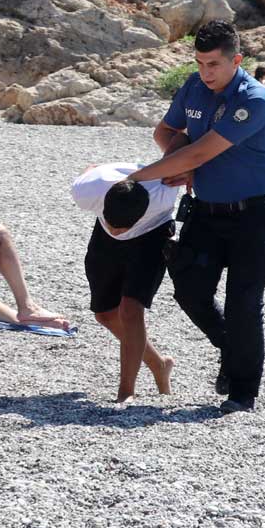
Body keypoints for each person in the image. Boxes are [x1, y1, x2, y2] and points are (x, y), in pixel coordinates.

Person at [127, 20, 265, 414]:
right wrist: (175, 156)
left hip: (258, 213)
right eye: (200, 63)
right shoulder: (194, 87)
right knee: (190, 290)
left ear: (237, 60)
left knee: (243, 302)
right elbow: (166, 131)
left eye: (214, 64)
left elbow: (201, 153)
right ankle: (231, 348)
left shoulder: (253, 98)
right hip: (206, 210)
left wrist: (135, 178)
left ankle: (242, 391)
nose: (206, 73)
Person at [72, 164, 180, 402]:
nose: (119, 232)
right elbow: (92, 169)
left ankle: (125, 392)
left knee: (131, 309)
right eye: (115, 226)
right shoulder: (87, 191)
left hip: (152, 235)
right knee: (105, 313)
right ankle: (160, 365)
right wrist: (111, 227)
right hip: (104, 238)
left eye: (124, 229)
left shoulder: (163, 193)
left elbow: (188, 159)